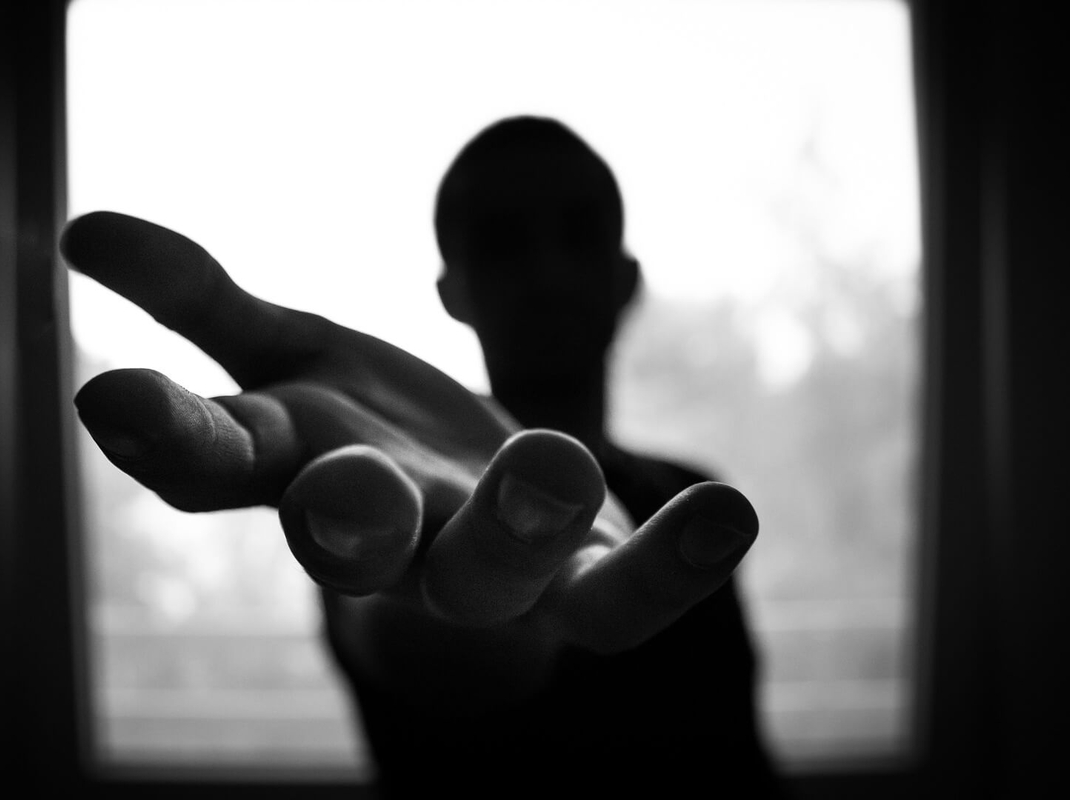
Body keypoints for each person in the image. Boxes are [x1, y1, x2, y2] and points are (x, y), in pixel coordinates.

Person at [61, 116, 783, 797]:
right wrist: (462, 605)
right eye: (502, 240)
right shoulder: (404, 503)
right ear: (452, 291)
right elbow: (411, 643)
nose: (547, 269)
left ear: (626, 279)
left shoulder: (687, 494)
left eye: (579, 231)